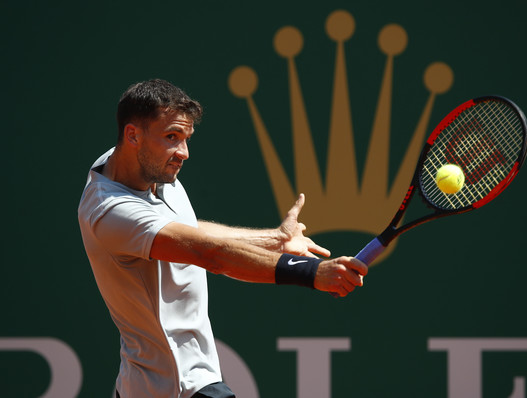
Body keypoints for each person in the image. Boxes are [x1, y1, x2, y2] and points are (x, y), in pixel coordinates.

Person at [77, 78, 368, 398]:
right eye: (171, 137)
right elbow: (209, 254)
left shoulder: (135, 165)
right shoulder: (111, 212)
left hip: (146, 385)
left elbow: (188, 231)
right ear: (132, 135)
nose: (183, 153)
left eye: (186, 138)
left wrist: (273, 239)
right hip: (175, 386)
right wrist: (311, 272)